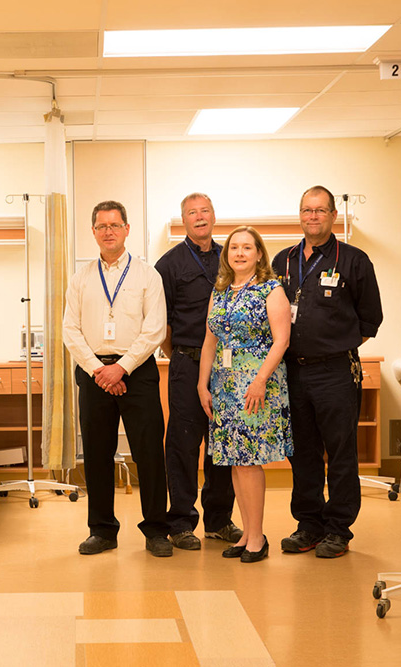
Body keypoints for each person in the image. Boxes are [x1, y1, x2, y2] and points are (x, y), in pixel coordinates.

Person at [271, 185, 383, 558]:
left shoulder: (353, 260)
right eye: (306, 210)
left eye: (320, 210)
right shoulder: (282, 262)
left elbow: (370, 320)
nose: (313, 217)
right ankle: (309, 525)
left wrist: (331, 346)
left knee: (340, 453)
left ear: (333, 215)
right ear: (299, 215)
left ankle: (338, 529)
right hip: (292, 373)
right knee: (301, 453)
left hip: (335, 372)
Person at [62, 200, 172, 557]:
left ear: (127, 229)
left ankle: (156, 530)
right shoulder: (80, 279)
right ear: (93, 232)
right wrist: (99, 369)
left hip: (136, 373)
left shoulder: (147, 275)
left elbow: (154, 330)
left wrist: (121, 367)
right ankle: (102, 530)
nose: (108, 231)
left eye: (114, 225)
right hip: (94, 375)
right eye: (101, 226)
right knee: (96, 454)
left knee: (149, 453)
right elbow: (70, 331)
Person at [198, 226, 293, 563]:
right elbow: (210, 340)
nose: (239, 253)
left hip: (256, 384)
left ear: (258, 254)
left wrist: (260, 379)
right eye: (234, 247)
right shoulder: (220, 290)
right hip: (224, 385)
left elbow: (282, 339)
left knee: (249, 460)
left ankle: (257, 538)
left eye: (247, 248)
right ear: (227, 254)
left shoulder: (271, 289)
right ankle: (247, 533)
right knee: (235, 462)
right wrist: (202, 383)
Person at [155, 193, 241, 551]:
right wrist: (184, 357)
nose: (200, 217)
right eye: (192, 213)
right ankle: (181, 522)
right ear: (183, 221)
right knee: (184, 445)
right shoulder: (169, 264)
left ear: (214, 216)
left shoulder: (232, 259)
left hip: (228, 366)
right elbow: (162, 324)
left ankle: (219, 521)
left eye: (205, 211)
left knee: (222, 445)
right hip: (187, 363)